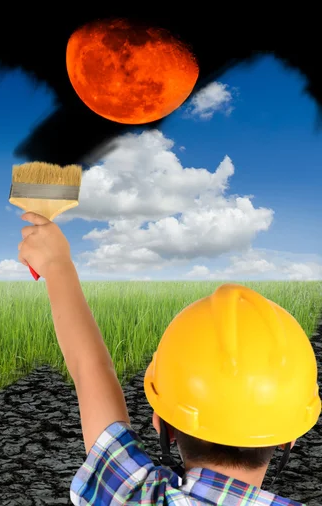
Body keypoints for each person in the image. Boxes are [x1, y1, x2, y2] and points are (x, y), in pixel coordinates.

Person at [17, 212, 321, 506]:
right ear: (290, 439)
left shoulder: (131, 496)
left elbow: (89, 368)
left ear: (162, 425)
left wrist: (57, 265)